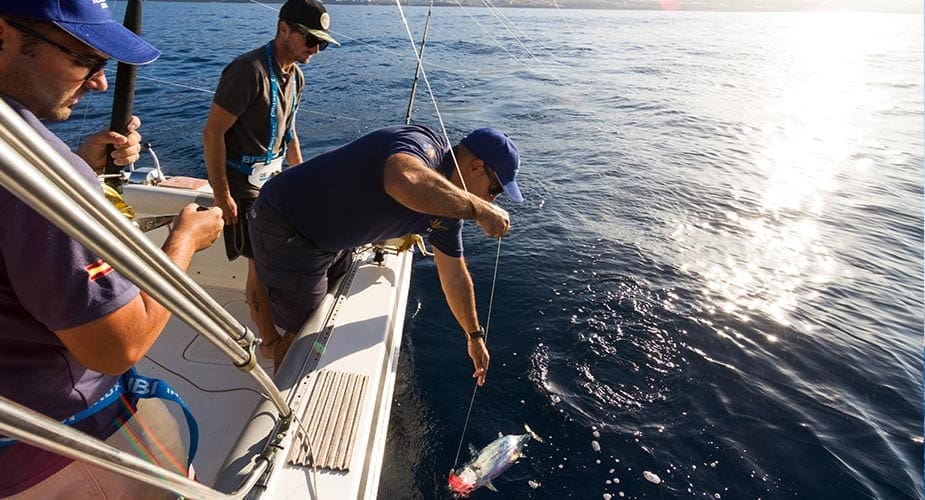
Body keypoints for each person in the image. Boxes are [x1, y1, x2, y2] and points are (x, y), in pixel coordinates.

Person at [0, 1, 224, 497]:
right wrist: (184, 242)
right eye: (85, 60)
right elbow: (118, 349)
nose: (100, 83)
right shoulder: (42, 174)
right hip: (59, 444)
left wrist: (84, 166)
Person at [249, 124, 524, 383]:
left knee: (331, 302)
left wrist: (474, 335)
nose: (492, 200)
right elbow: (401, 180)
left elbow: (453, 274)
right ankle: (280, 414)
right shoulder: (423, 145)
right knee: (304, 335)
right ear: (475, 167)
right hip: (288, 227)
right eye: (495, 190)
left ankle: (266, 284)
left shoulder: (449, 212)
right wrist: (479, 209)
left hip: (329, 241)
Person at [203, 0, 338, 360]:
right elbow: (213, 133)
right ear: (283, 29)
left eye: (321, 43)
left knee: (280, 255)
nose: (316, 49)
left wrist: (303, 177)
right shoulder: (248, 72)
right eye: (310, 39)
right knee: (258, 268)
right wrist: (223, 195)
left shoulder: (296, 75)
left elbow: (289, 133)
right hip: (244, 189)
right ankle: (269, 343)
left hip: (274, 185)